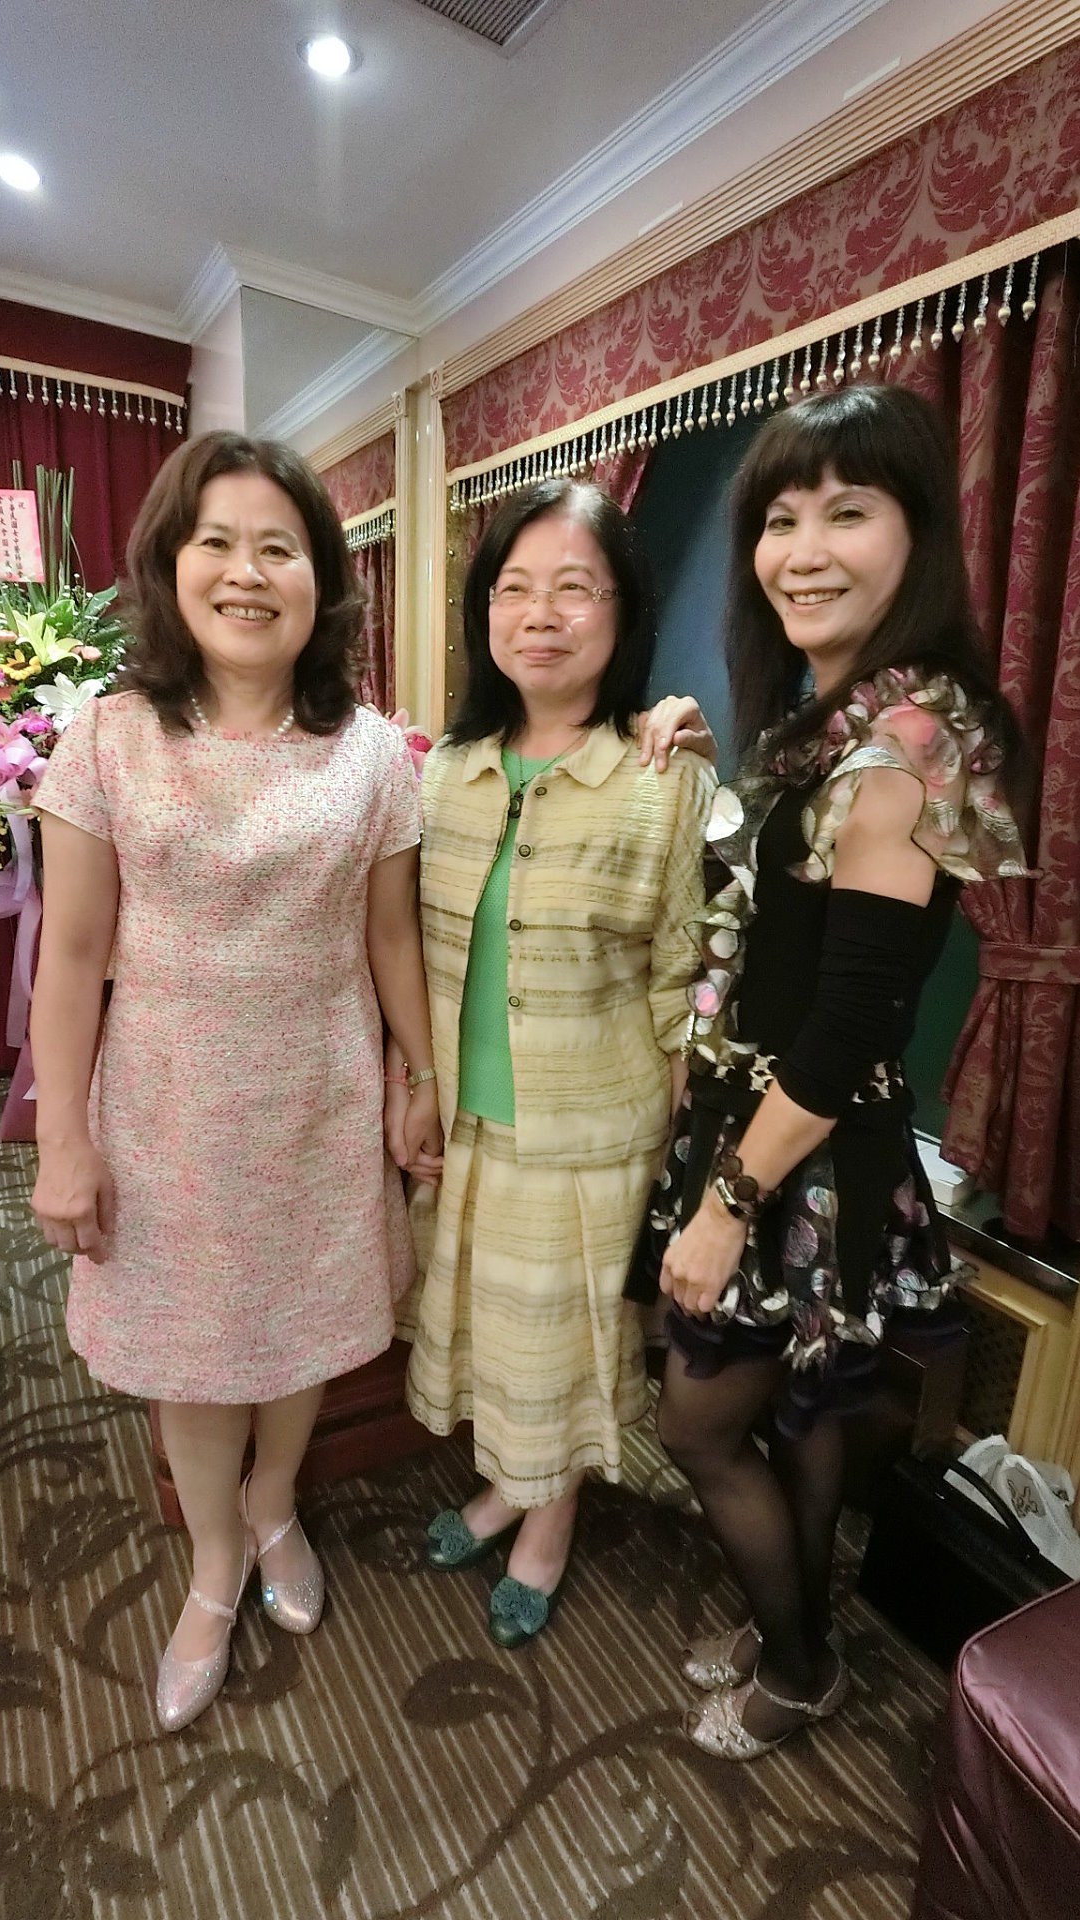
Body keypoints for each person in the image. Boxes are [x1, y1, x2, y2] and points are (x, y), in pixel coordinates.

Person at [626, 384, 1028, 1759]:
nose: (801, 551)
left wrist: (726, 1202)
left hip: (803, 1146)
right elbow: (782, 917)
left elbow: (854, 1014)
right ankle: (790, 1619)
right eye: (779, 519)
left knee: (697, 1423)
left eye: (845, 513)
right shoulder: (837, 713)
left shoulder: (908, 739)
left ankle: (798, 1665)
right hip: (776, 1120)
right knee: (799, 1414)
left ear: (917, 535)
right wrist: (708, 762)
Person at [30, 431, 440, 1732]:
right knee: (194, 1352)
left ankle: (274, 1508)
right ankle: (215, 1560)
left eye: (279, 547)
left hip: (319, 1101)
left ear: (323, 579)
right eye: (217, 542)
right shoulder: (109, 737)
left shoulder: (371, 754)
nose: (247, 572)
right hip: (165, 1110)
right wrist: (61, 1139)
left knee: (300, 1330)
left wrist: (420, 1075)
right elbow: (71, 954)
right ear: (171, 565)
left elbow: (390, 938)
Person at [388, 478, 715, 1648]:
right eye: (514, 588)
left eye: (574, 588)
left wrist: (679, 1147)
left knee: (561, 1345)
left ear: (623, 613)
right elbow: (410, 951)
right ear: (483, 611)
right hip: (466, 1119)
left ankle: (547, 1520)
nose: (539, 614)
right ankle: (506, 1486)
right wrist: (415, 1085)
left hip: (589, 1128)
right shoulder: (445, 772)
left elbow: (687, 978)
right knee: (489, 1332)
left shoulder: (663, 779)